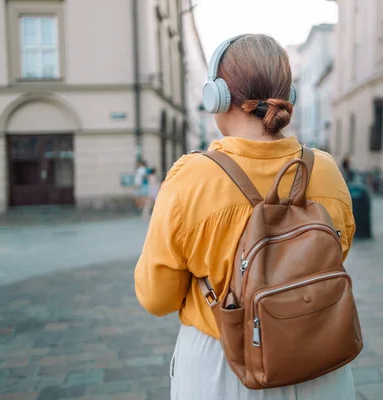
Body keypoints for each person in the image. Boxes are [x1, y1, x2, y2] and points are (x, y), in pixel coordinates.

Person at [134, 34, 356, 400]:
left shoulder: (191, 178)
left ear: (217, 96)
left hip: (225, 368)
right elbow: (333, 255)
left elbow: (157, 299)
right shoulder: (325, 169)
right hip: (323, 357)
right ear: (290, 96)